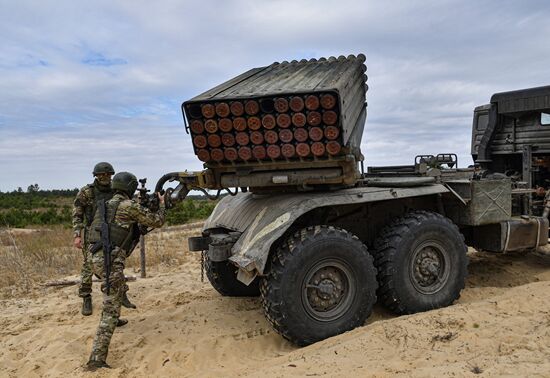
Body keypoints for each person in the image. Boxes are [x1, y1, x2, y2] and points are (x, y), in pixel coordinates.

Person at [85, 172, 165, 370]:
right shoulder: (128, 206)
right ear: (130, 187)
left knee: (114, 292)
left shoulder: (105, 205)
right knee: (110, 309)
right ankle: (96, 359)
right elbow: (157, 221)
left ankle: (115, 315)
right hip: (109, 261)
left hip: (94, 259)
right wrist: (161, 204)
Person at [73, 162, 137, 315]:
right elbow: (77, 213)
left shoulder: (116, 189)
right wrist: (77, 235)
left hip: (112, 231)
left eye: (108, 175)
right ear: (96, 176)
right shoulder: (87, 192)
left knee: (116, 264)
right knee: (88, 267)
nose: (105, 177)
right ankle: (86, 297)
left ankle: (121, 293)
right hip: (92, 234)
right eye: (101, 175)